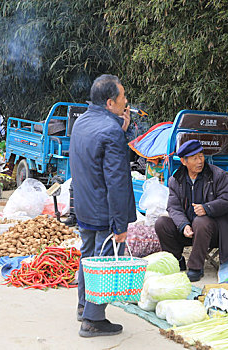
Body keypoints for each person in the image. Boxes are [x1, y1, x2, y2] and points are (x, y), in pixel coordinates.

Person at [69, 74, 135, 338]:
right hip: (103, 210)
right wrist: (120, 223)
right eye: (122, 97)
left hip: (84, 205)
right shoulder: (109, 131)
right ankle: (93, 320)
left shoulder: (82, 122)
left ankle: (84, 306)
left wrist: (123, 127)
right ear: (110, 103)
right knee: (103, 262)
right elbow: (117, 181)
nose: (126, 101)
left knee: (88, 258)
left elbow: (97, 153)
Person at [155, 140, 228, 282]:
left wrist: (207, 208)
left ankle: (195, 267)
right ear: (183, 161)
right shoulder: (176, 180)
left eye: (201, 156)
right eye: (194, 158)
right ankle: (176, 260)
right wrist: (183, 225)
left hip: (214, 232)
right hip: (189, 231)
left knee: (201, 221)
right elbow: (173, 207)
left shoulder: (217, 175)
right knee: (161, 223)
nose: (200, 161)